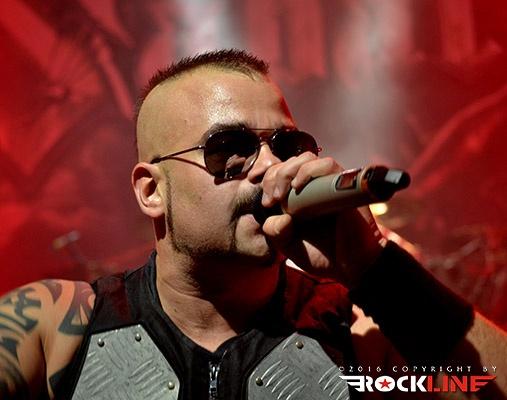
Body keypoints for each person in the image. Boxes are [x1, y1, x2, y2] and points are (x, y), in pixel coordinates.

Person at [1, 49, 506, 400]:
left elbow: (487, 387)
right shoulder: (56, 327)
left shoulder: (358, 337)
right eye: (229, 149)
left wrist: (375, 269)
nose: (269, 167)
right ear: (152, 191)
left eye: (287, 146)